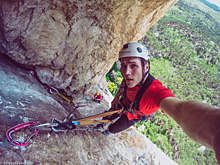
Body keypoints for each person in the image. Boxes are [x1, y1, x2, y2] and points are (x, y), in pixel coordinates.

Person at [102, 42, 220, 162]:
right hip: (122, 104)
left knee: (114, 129)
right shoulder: (132, 77)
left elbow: (179, 109)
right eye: (124, 66)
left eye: (133, 66)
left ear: (146, 66)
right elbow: (124, 83)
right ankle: (102, 124)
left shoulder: (154, 91)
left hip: (132, 116)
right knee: (107, 115)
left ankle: (107, 130)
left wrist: (216, 130)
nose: (126, 72)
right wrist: (116, 98)